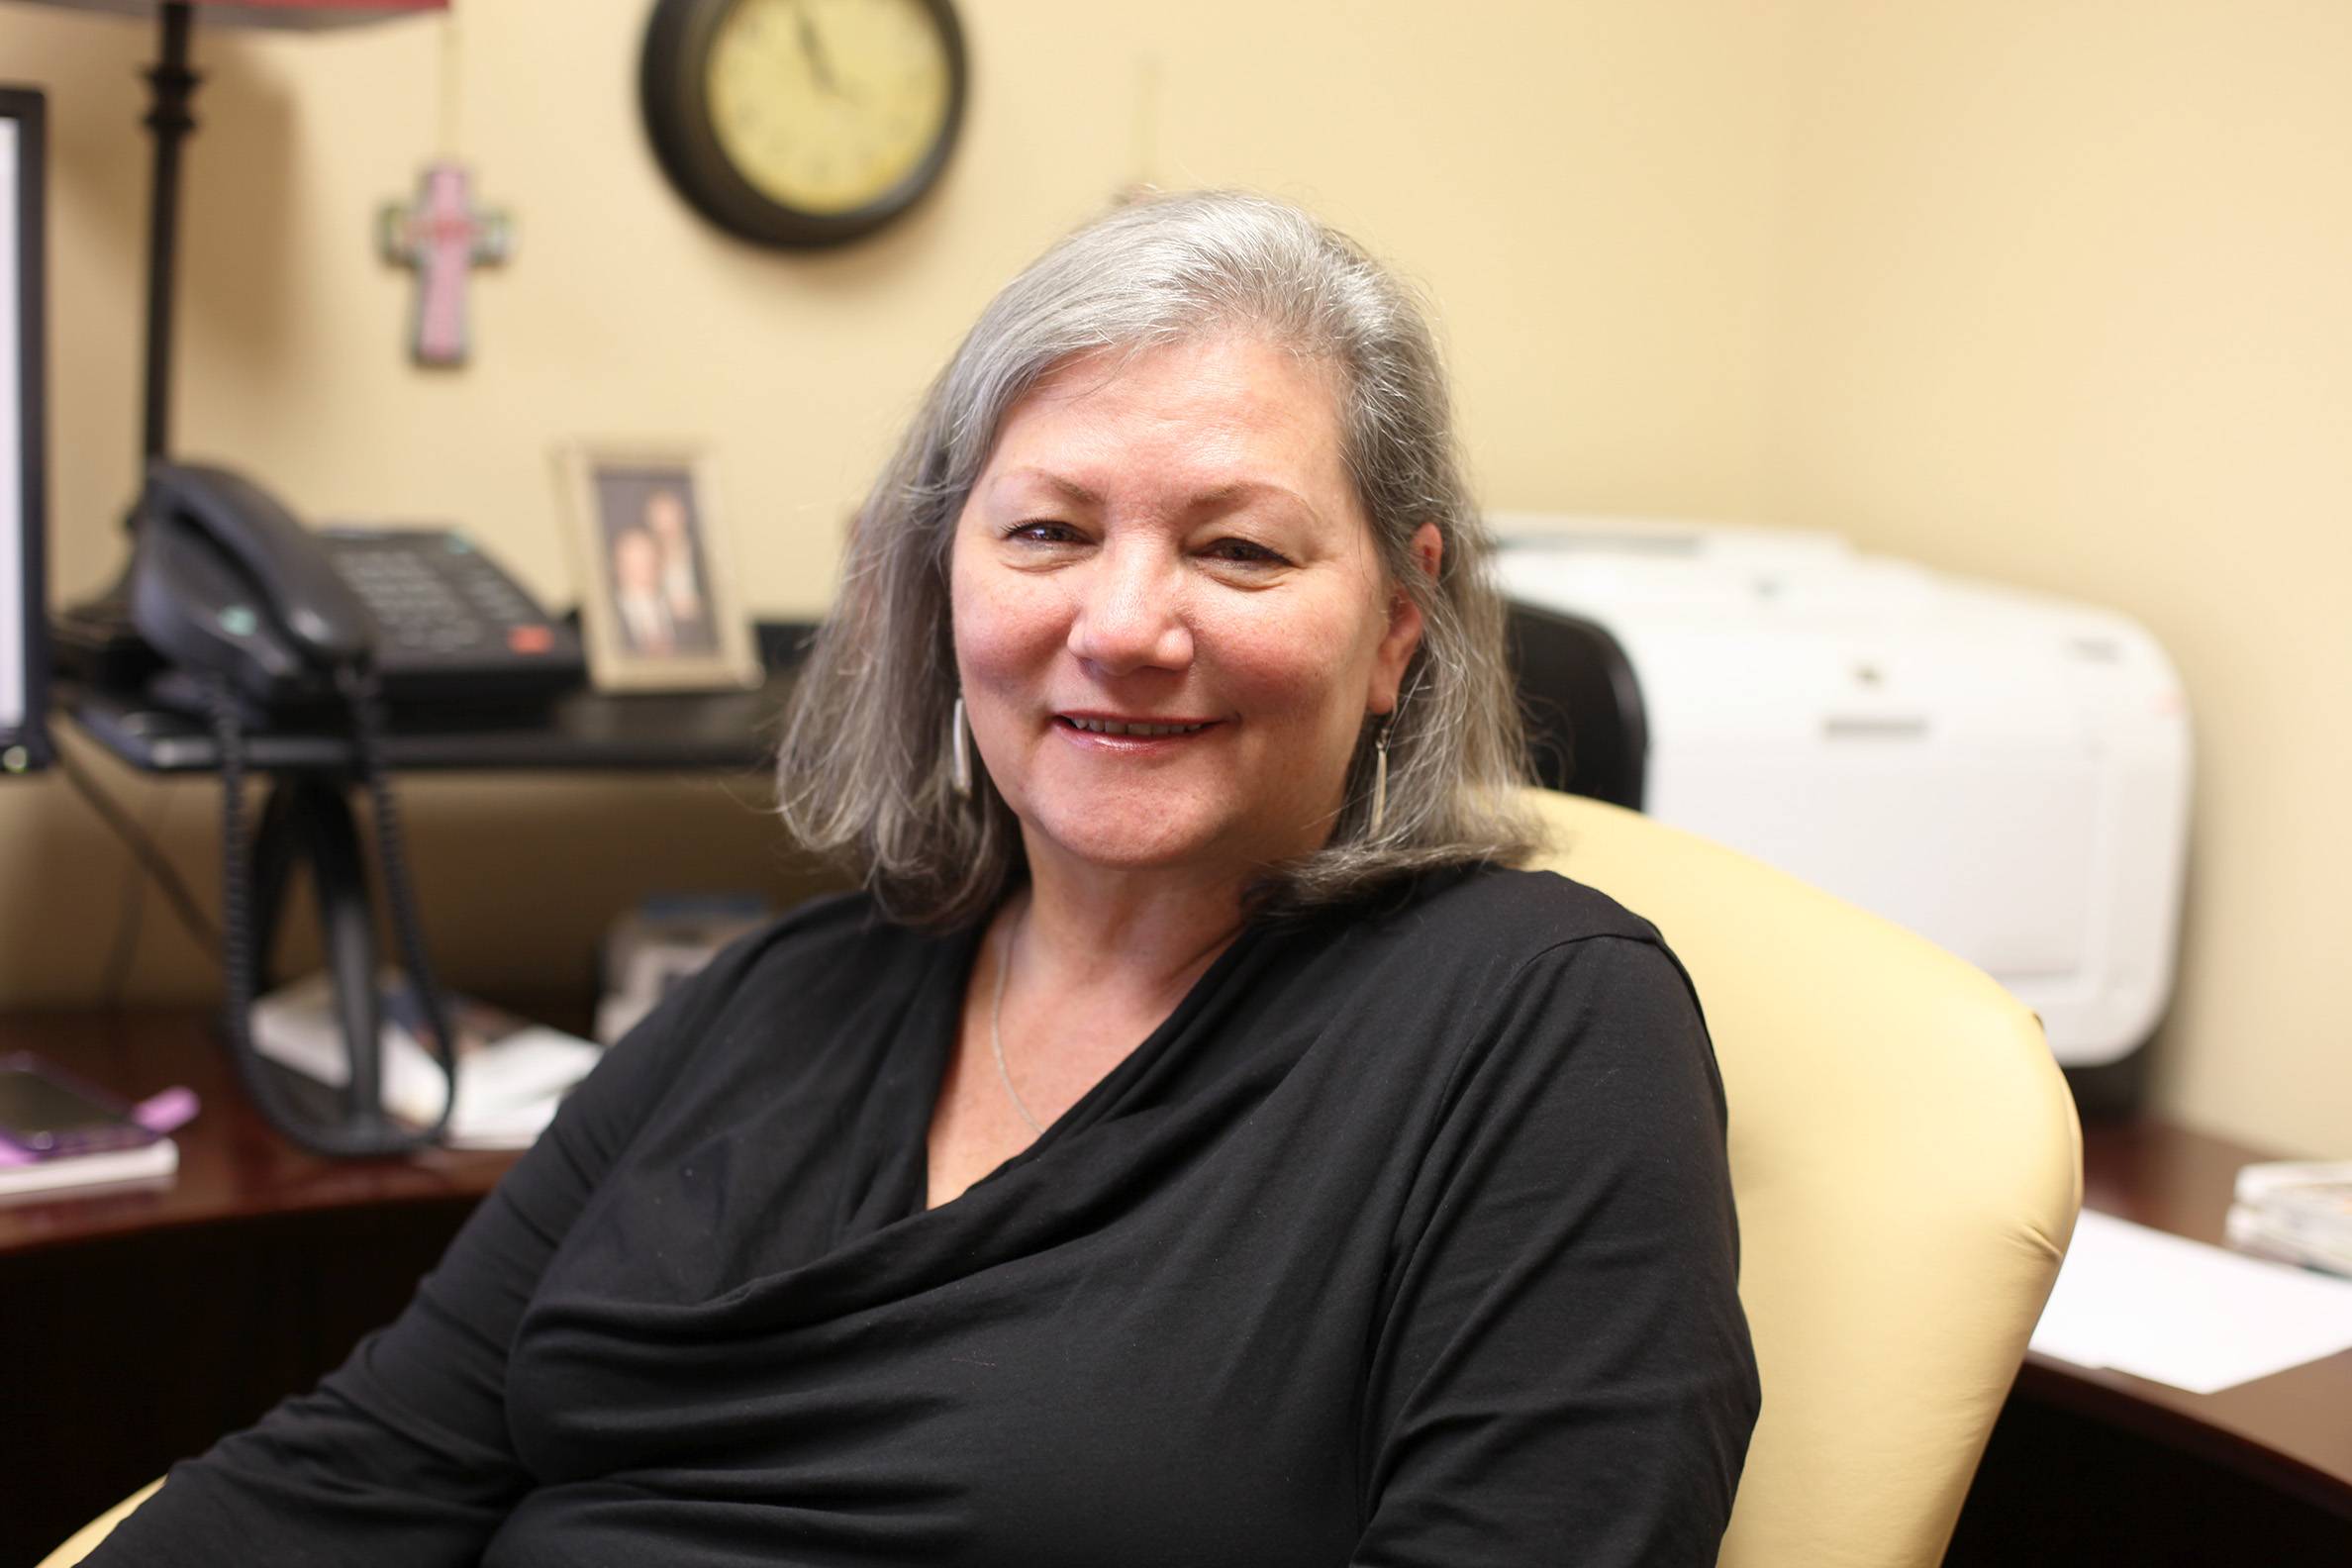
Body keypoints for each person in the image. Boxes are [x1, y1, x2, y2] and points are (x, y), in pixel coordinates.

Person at [88, 191, 1758, 1566]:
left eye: (1238, 548)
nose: (1124, 625)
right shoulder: (777, 999)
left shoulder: (1540, 1027)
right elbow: (364, 1471)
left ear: (1397, 622)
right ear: (941, 580)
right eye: (1048, 533)